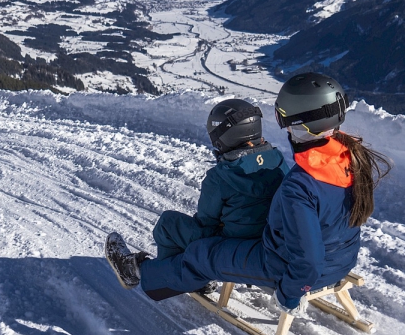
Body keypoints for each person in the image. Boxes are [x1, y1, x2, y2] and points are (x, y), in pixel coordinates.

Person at [107, 73, 391, 314]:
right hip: (341, 260)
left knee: (201, 254)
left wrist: (291, 295)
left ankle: (141, 274)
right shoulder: (350, 158)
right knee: (210, 250)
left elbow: (309, 259)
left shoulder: (300, 187)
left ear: (296, 126)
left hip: (285, 267)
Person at [106, 98, 289, 289]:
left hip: (231, 248)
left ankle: (175, 276)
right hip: (272, 242)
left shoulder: (219, 177)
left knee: (168, 224)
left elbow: (206, 222)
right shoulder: (278, 161)